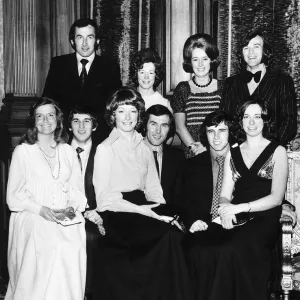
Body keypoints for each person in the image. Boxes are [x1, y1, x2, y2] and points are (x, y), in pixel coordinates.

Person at [92, 87, 193, 300]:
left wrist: (163, 213)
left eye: (132, 111)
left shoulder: (144, 148)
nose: (127, 117)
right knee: (166, 237)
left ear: (139, 115)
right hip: (118, 212)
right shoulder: (105, 149)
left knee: (174, 232)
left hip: (143, 208)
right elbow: (104, 199)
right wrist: (146, 212)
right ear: (113, 115)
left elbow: (155, 191)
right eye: (121, 111)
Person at [185, 96, 288, 300]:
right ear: (240, 121)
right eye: (247, 117)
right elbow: (224, 195)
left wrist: (239, 208)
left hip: (264, 218)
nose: (251, 122)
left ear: (265, 120)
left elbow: (276, 198)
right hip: (235, 215)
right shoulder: (234, 153)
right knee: (198, 246)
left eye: (257, 117)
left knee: (229, 249)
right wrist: (224, 211)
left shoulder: (278, 151)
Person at [5, 98, 87, 300]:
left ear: (58, 121)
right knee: (49, 244)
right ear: (33, 121)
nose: (45, 120)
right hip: (31, 214)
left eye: (50, 115)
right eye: (39, 116)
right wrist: (41, 210)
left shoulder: (67, 151)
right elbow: (13, 196)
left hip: (64, 214)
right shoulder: (23, 152)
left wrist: (69, 208)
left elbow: (77, 189)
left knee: (71, 244)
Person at [43, 18, 122, 143]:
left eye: (89, 37)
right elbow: (48, 102)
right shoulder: (59, 64)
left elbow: (115, 107)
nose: (85, 43)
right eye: (80, 37)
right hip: (64, 139)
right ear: (73, 41)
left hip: (100, 139)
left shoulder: (110, 67)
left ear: (97, 41)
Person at [221, 29, 297, 146]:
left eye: (256, 46)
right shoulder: (231, 83)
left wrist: (272, 148)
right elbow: (225, 119)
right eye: (246, 47)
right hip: (239, 151)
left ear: (265, 50)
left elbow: (289, 122)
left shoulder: (283, 81)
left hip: (272, 151)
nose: (250, 52)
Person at [68, 106, 104, 300]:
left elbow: (111, 188)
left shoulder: (104, 151)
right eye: (76, 121)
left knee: (90, 236)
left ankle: (87, 293)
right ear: (69, 126)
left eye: (87, 121)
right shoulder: (60, 150)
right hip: (65, 212)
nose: (81, 126)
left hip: (95, 213)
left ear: (95, 126)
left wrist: (98, 211)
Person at [171, 33, 222, 159]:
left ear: (211, 60)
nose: (200, 64)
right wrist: (195, 148)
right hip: (191, 154)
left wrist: (207, 147)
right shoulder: (183, 89)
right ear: (190, 62)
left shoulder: (224, 88)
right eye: (195, 59)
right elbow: (179, 127)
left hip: (217, 151)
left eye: (204, 59)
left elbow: (227, 125)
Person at [142, 104, 184, 206]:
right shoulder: (131, 153)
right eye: (153, 124)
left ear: (169, 129)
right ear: (145, 126)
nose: (158, 131)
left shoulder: (177, 156)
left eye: (164, 125)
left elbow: (181, 196)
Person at [130, 48, 172, 112]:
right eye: (142, 72)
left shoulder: (165, 104)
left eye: (151, 73)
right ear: (136, 74)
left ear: (156, 75)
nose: (146, 77)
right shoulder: (128, 100)